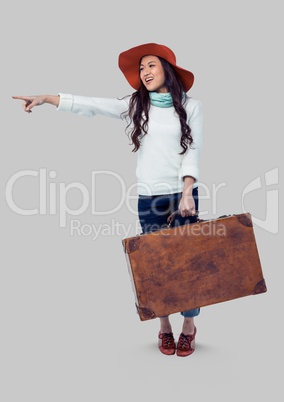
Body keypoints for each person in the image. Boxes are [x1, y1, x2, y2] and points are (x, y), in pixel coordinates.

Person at [13, 43, 203, 357]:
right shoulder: (136, 105)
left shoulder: (192, 106)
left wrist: (186, 192)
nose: (145, 73)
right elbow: (92, 105)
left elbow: (193, 149)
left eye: (151, 66)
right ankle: (165, 327)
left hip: (183, 195)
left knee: (189, 265)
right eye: (142, 69)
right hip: (148, 197)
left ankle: (189, 328)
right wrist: (47, 98)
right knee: (156, 267)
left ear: (167, 69)